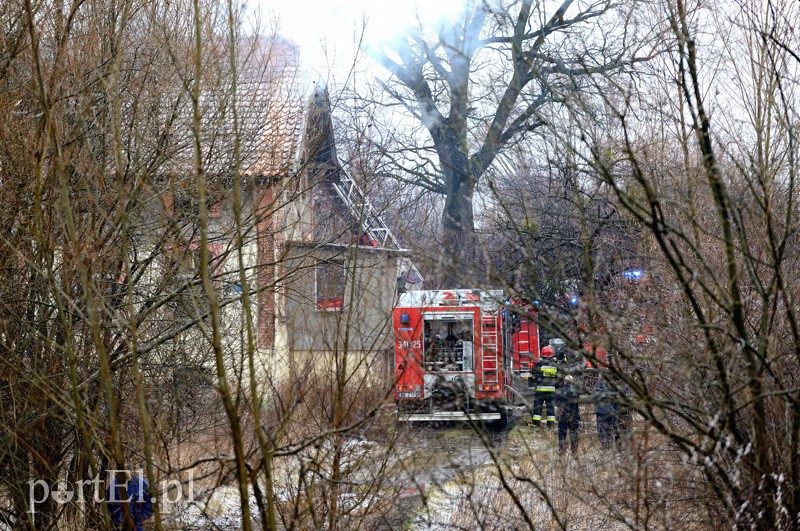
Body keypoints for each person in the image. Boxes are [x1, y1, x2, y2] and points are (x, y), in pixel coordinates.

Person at [530, 345, 558, 427]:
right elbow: (559, 377)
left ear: (542, 354)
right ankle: (550, 425)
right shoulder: (555, 365)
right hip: (551, 390)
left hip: (540, 390)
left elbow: (533, 375)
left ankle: (536, 425)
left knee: (538, 407)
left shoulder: (539, 364)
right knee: (550, 407)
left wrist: (537, 380)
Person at [556, 374, 581, 453]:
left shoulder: (560, 390)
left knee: (562, 434)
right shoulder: (576, 391)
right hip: (574, 415)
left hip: (563, 414)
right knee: (574, 434)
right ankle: (574, 451)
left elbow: (556, 402)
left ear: (564, 381)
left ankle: (562, 450)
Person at [594, 377, 616, 449]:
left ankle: (604, 446)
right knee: (609, 429)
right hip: (610, 411)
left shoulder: (598, 385)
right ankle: (609, 445)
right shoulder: (612, 384)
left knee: (602, 430)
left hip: (601, 412)